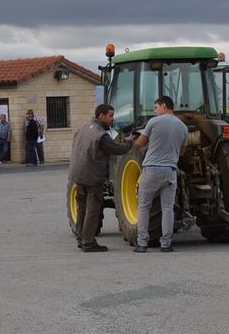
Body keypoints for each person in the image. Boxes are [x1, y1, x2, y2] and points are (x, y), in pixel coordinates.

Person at [68, 104, 132, 252]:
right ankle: (89, 242)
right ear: (101, 116)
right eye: (110, 115)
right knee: (93, 208)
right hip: (92, 176)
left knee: (81, 207)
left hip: (77, 174)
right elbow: (116, 149)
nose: (112, 119)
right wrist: (129, 142)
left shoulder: (83, 128)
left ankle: (81, 238)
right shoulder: (101, 135)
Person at [133, 96, 189, 253]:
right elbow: (182, 151)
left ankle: (142, 243)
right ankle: (166, 244)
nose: (155, 111)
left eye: (156, 107)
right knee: (168, 209)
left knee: (144, 206)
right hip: (170, 172)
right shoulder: (183, 127)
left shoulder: (153, 122)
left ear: (164, 106)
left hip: (151, 169)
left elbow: (141, 143)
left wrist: (132, 142)